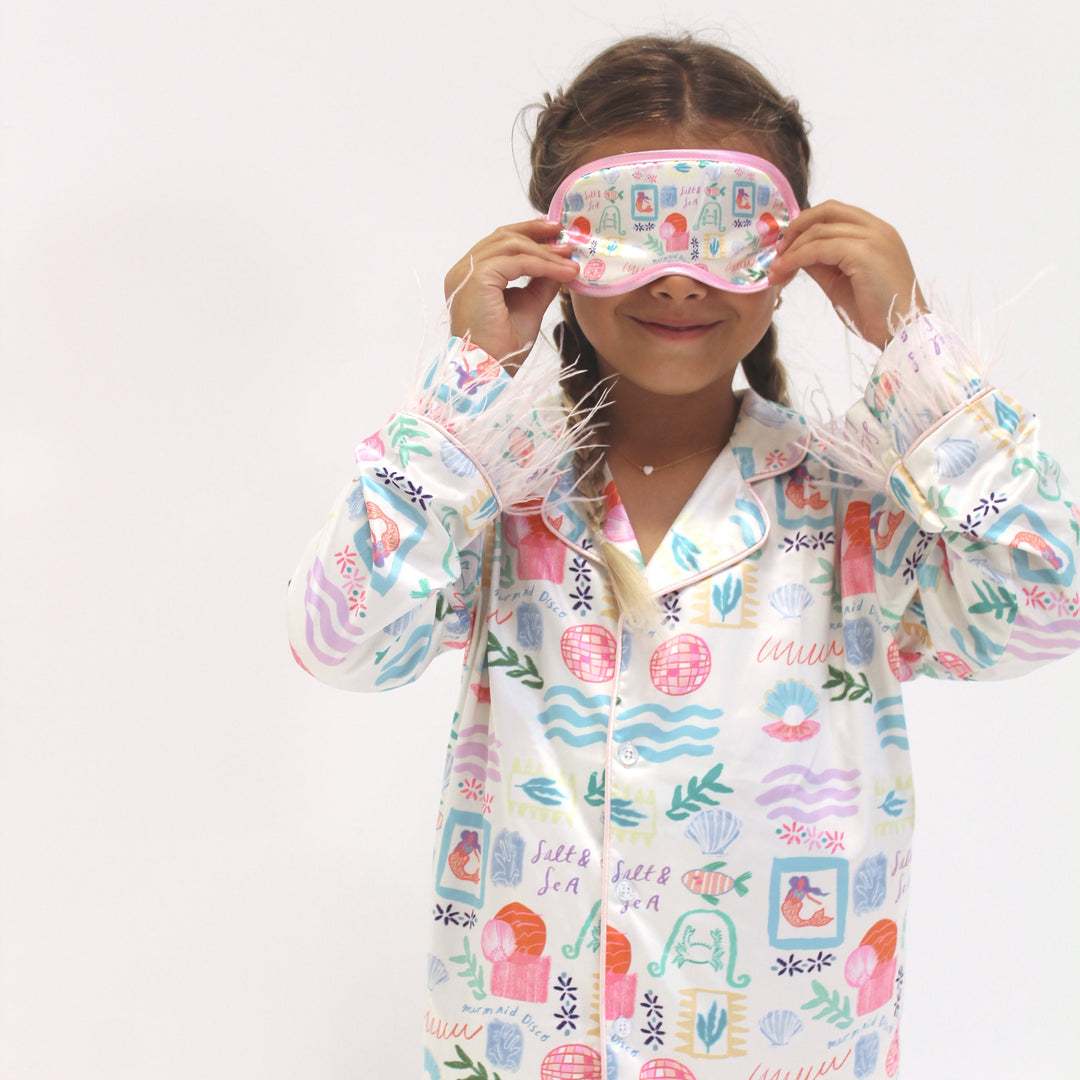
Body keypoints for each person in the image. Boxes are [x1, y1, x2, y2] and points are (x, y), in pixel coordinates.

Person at [287, 34, 1080, 1080]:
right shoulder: (495, 501)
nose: (676, 273)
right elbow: (342, 640)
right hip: (527, 1046)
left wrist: (916, 349)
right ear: (554, 245)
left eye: (724, 231)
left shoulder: (859, 508)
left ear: (791, 252)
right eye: (626, 231)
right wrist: (469, 378)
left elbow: (1048, 605)